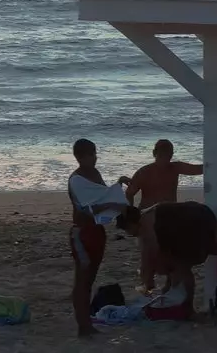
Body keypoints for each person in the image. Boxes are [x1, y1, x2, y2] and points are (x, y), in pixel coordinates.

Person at [66, 139, 129, 338]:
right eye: (91, 154)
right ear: (80, 157)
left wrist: (118, 185)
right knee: (82, 280)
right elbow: (87, 208)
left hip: (96, 230)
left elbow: (103, 195)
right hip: (82, 232)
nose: (95, 157)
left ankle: (87, 322)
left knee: (90, 279)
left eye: (95, 153)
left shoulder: (95, 174)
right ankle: (83, 326)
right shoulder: (76, 179)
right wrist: (112, 203)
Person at [125, 139, 205, 292]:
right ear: (155, 154)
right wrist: (131, 212)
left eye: (168, 156)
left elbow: (200, 169)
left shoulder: (170, 168)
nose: (165, 160)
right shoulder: (147, 171)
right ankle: (148, 283)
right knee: (150, 253)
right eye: (162, 156)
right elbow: (129, 193)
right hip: (151, 216)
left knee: (167, 251)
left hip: (167, 216)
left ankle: (162, 284)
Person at [114, 200, 217, 316]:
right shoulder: (146, 216)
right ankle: (178, 298)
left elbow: (149, 257)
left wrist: (148, 282)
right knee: (175, 263)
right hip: (199, 215)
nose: (129, 233)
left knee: (182, 266)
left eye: (127, 229)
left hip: (195, 220)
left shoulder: (147, 226)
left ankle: (188, 308)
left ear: (131, 224)